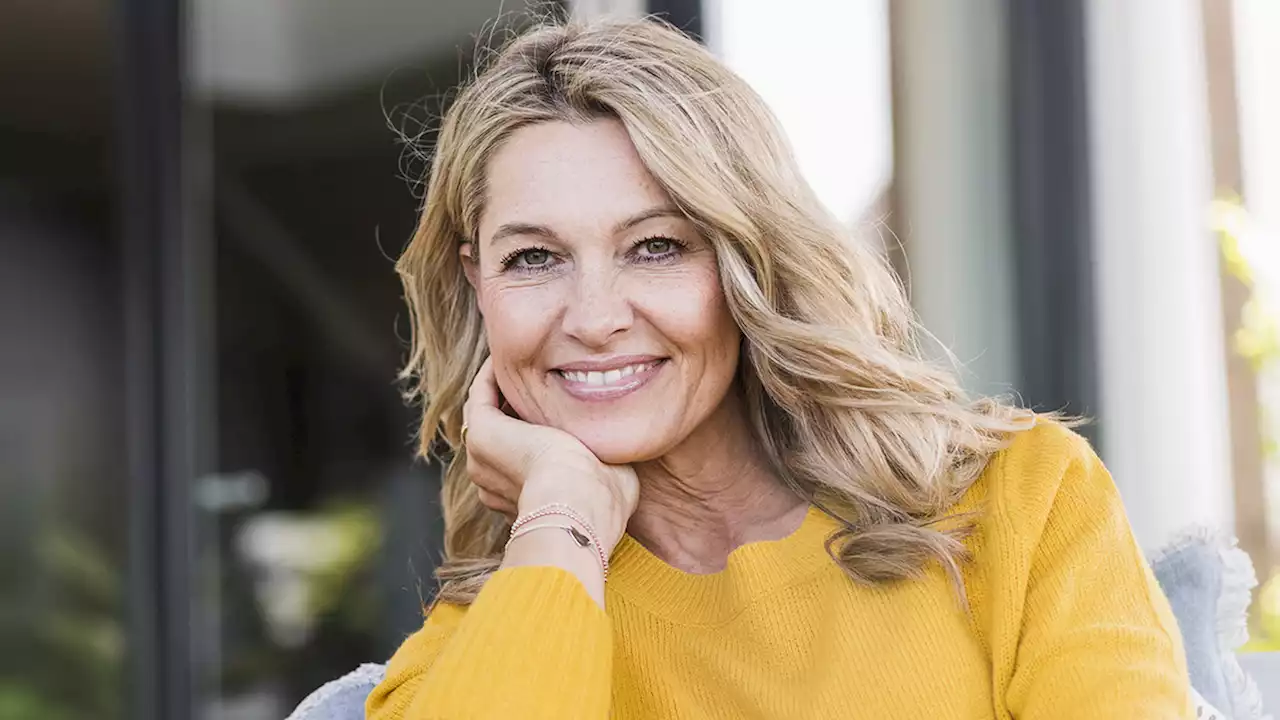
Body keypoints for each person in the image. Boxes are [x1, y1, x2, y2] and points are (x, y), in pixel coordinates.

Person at [366, 16, 1191, 720]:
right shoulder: (488, 638)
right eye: (535, 258)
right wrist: (563, 518)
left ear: (748, 261)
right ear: (477, 282)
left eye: (656, 247)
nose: (594, 318)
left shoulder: (1020, 501)